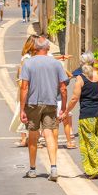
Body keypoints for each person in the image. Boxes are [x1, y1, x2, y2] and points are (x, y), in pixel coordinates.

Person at [19, 37, 69, 181]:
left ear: (35, 48)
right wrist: (63, 107)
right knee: (49, 134)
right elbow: (63, 88)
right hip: (51, 103)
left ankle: (33, 169)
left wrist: (22, 109)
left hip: (33, 104)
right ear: (48, 48)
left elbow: (24, 87)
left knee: (33, 135)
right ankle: (53, 168)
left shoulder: (28, 63)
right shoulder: (56, 63)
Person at [64, 53, 98, 179]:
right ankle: (93, 168)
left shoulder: (80, 78)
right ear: (94, 62)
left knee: (89, 144)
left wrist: (66, 111)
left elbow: (75, 98)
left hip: (87, 115)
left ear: (81, 63)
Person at [9, 35, 37, 147]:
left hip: (31, 88)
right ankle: (24, 139)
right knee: (22, 112)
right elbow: (22, 76)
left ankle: (29, 138)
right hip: (25, 88)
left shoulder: (30, 57)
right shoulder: (26, 58)